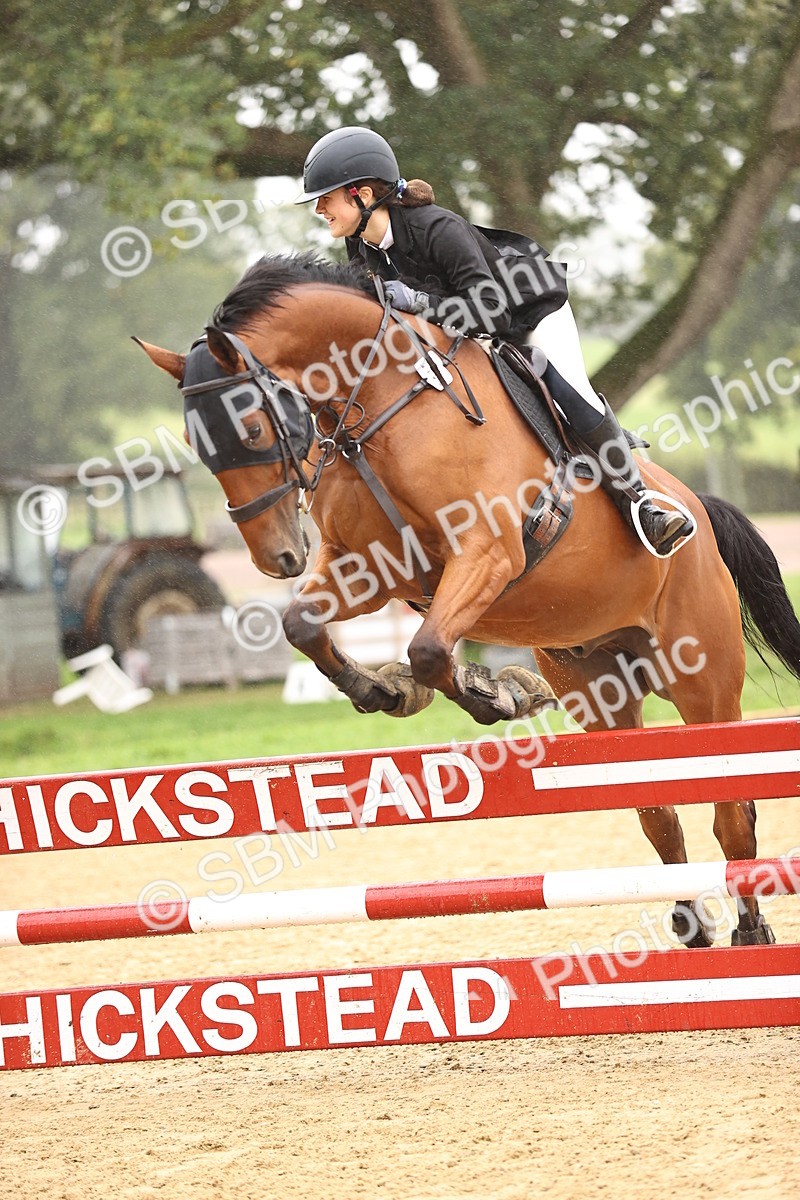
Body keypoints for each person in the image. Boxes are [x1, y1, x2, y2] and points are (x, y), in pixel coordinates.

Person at [295, 126, 695, 556]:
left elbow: (492, 312)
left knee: (566, 389)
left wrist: (419, 301)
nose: (319, 208)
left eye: (326, 198)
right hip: (470, 334)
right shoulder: (363, 248)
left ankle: (643, 503)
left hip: (527, 316)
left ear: (361, 194)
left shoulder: (437, 228)